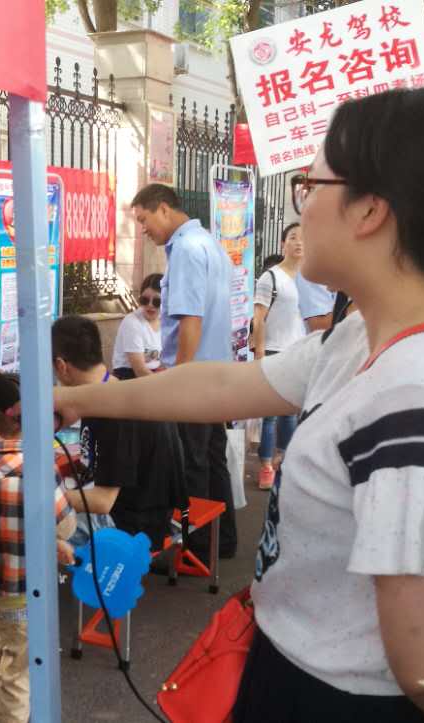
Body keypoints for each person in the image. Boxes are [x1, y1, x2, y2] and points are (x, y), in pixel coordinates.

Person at [54, 88, 424, 721]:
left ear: (370, 209)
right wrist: (77, 398)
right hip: (294, 669)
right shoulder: (364, 335)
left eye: (310, 185)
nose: (302, 208)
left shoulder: (420, 398)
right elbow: (221, 386)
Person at [131, 183, 237, 559]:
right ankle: (222, 542)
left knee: (192, 464)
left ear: (163, 209)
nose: (143, 229)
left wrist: (180, 378)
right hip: (216, 372)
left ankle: (197, 549)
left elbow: (190, 321)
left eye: (144, 219)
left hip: (194, 378)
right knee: (212, 459)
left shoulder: (188, 249)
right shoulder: (208, 242)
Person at [0, 379, 76, 723]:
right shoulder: (39, 468)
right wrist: (57, 540)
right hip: (23, 594)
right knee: (18, 678)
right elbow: (66, 525)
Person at [52, 315, 187, 551]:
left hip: (133, 527)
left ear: (62, 366)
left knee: (32, 528)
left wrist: (45, 498)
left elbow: (103, 501)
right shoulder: (116, 387)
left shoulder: (113, 416)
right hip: (144, 508)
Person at [252, 223, 307, 489]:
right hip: (274, 350)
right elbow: (259, 318)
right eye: (293, 237)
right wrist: (260, 354)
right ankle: (265, 466)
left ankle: (285, 461)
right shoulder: (270, 277)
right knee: (271, 413)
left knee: (290, 413)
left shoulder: (311, 278)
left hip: (300, 351)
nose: (299, 242)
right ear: (283, 243)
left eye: (303, 238)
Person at [111, 274, 164, 379]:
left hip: (154, 375)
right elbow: (140, 370)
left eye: (157, 302)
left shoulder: (166, 321)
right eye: (145, 300)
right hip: (130, 377)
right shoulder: (132, 322)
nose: (150, 305)